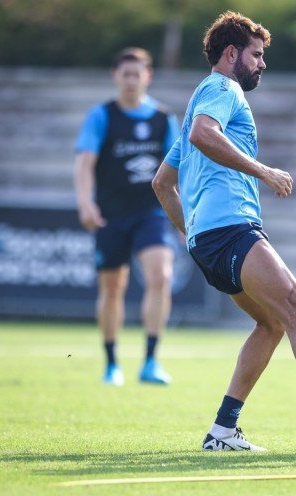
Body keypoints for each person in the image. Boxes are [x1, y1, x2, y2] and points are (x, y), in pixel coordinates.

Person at [152, 11, 296, 452]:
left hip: (209, 240)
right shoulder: (221, 88)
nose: (262, 64)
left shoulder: (197, 105)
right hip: (229, 229)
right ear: (232, 54)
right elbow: (205, 137)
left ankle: (223, 430)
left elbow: (162, 183)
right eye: (257, 55)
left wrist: (192, 235)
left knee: (271, 324)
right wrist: (263, 171)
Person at [74, 47, 180, 387]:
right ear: (115, 76)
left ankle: (150, 361)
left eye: (138, 74)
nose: (132, 80)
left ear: (147, 76)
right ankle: (111, 363)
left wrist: (182, 214)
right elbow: (85, 163)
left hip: (152, 212)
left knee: (161, 277)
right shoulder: (102, 116)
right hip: (111, 215)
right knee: (112, 287)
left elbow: (179, 170)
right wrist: (85, 203)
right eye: (126, 74)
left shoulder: (164, 118)